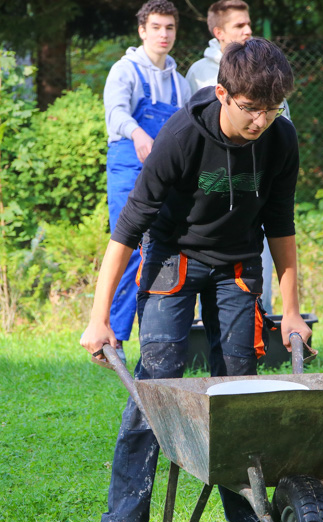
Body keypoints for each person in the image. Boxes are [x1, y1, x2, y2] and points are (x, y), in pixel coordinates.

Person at [81, 38, 310, 522]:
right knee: (156, 385)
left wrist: (293, 310)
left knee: (239, 390)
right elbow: (128, 229)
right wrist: (99, 318)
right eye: (251, 109)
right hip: (173, 259)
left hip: (236, 266)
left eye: (272, 111)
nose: (261, 122)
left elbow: (281, 226)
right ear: (225, 93)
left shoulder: (281, 139)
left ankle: (250, 521)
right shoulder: (181, 136)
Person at [186, 0, 288, 313]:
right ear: (218, 33)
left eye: (248, 24)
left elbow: (281, 127)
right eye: (238, 26)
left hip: (255, 186)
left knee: (260, 261)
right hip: (215, 189)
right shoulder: (200, 73)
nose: (247, 30)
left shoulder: (271, 70)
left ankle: (262, 321)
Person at [103, 0, 190, 362]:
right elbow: (116, 113)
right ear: (142, 31)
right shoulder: (124, 71)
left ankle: (155, 338)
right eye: (156, 27)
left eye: (169, 27)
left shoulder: (181, 83)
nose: (163, 34)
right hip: (128, 167)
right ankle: (114, 339)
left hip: (168, 174)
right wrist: (139, 133)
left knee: (166, 251)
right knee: (128, 250)